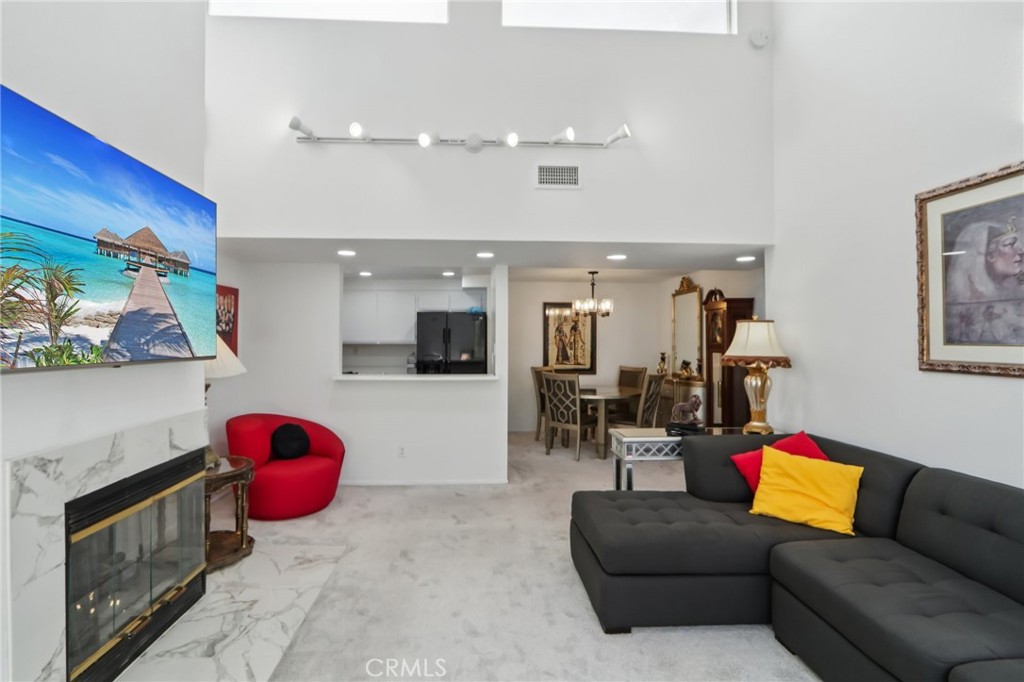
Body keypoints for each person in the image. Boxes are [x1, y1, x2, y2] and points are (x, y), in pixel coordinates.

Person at [944, 218, 1024, 344]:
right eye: (1009, 244)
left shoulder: (1014, 298)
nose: (1021, 251)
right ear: (988, 255)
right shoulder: (970, 309)